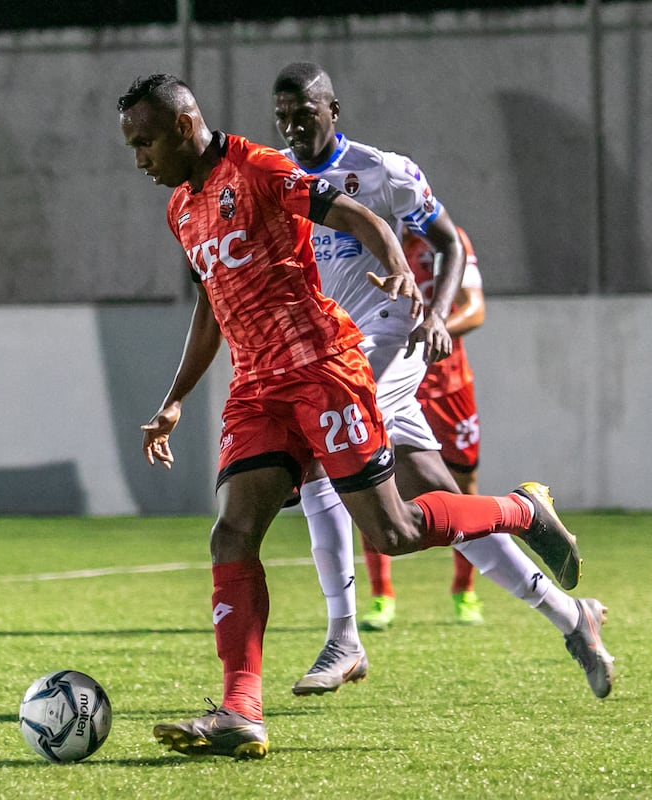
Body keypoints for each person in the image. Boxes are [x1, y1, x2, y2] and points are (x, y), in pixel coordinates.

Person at [119, 73, 582, 760]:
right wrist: (176, 396)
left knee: (393, 532)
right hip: (257, 390)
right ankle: (241, 711)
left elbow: (352, 214)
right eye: (133, 145)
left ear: (185, 127)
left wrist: (397, 263)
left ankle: (521, 510)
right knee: (231, 534)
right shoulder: (181, 210)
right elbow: (210, 306)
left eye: (146, 141)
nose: (140, 159)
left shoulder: (260, 167)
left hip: (322, 370)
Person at [271, 62, 613, 701]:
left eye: (304, 112)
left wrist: (434, 309)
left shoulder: (384, 172)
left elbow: (450, 244)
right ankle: (574, 616)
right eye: (282, 113)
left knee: (322, 447)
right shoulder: (278, 178)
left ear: (333, 110)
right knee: (441, 499)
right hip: (333, 350)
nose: (292, 124)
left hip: (390, 338)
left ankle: (344, 636)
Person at [359, 226, 489, 631]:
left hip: (448, 384)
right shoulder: (370, 238)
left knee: (463, 486)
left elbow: (475, 309)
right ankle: (381, 598)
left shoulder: (450, 240)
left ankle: (464, 591)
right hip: (389, 380)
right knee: (368, 481)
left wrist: (431, 332)